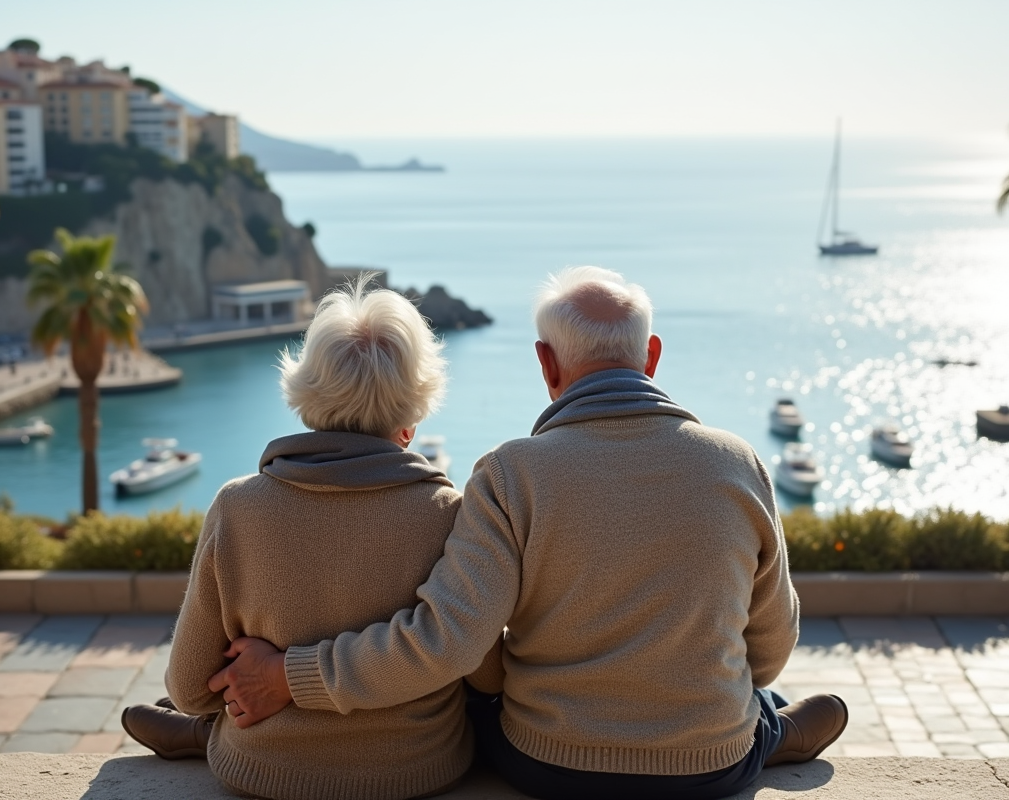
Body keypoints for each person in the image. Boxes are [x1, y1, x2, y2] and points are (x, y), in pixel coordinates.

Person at [214, 266, 849, 800]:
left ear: (547, 364)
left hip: (549, 764)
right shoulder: (738, 462)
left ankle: (208, 734)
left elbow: (458, 653)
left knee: (473, 708)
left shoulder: (510, 473)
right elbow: (769, 646)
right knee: (759, 697)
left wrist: (291, 677)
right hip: (711, 766)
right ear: (651, 357)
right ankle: (776, 732)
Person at [120, 279, 483, 800]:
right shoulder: (448, 514)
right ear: (411, 419)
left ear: (305, 398)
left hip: (263, 768)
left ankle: (198, 737)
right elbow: (484, 671)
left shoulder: (237, 506)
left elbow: (189, 688)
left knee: (189, 709)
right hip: (418, 769)